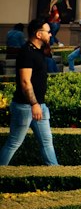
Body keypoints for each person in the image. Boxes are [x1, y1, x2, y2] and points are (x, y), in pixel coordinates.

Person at [0, 17, 59, 166]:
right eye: (48, 32)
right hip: (25, 106)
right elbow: (25, 82)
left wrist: (38, 104)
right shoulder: (26, 52)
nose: (51, 34)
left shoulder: (38, 51)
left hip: (39, 106)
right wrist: (34, 104)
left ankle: (56, 172)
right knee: (14, 142)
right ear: (38, 34)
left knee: (47, 142)